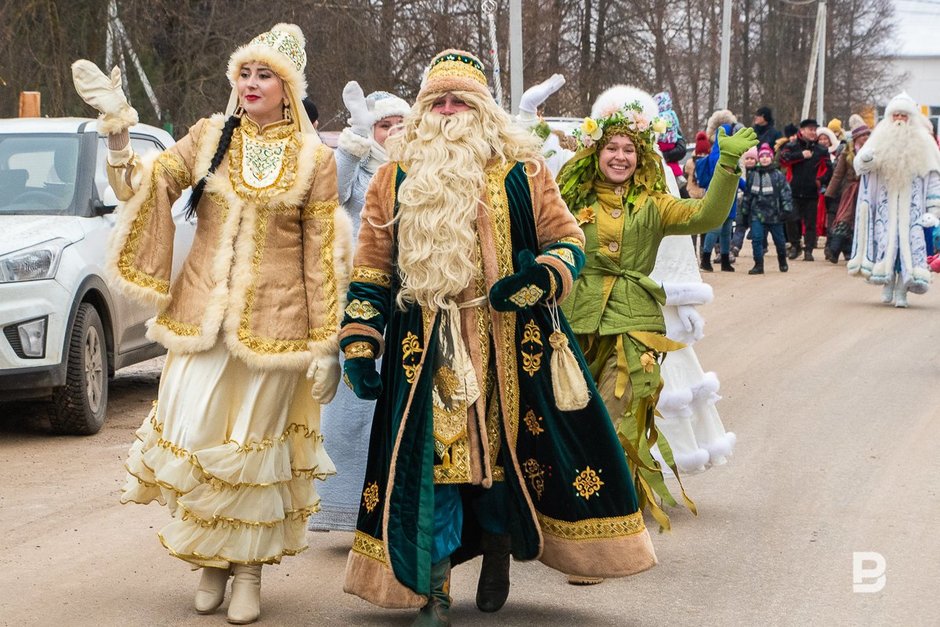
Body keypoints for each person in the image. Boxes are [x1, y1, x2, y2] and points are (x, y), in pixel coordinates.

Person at [338, 50, 657, 625]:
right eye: (439, 100)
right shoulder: (393, 176)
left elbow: (568, 242)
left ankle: (498, 553)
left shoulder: (524, 170)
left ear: (485, 109)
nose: (450, 109)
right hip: (425, 348)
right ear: (423, 110)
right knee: (435, 466)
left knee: (505, 460)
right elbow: (371, 268)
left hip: (511, 343)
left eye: (462, 99)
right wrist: (361, 341)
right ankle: (432, 591)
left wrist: (539, 279)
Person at [72, 23, 352, 624]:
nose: (251, 84)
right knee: (199, 438)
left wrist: (328, 343)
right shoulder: (206, 136)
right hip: (202, 319)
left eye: (265, 75)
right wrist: (119, 139)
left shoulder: (315, 159)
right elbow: (139, 189)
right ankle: (210, 560)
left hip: (278, 332)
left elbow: (321, 254)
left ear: (289, 88)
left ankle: (245, 570)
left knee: (248, 450)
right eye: (244, 73)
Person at [557, 92, 756, 525]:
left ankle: (610, 521)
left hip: (635, 330)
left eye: (629, 149)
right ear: (596, 150)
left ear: (641, 154)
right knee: (572, 421)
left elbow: (706, 216)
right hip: (575, 325)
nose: (620, 156)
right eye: (612, 147)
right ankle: (567, 515)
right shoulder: (569, 198)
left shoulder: (653, 203)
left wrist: (726, 167)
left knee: (616, 422)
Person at [310, 81, 410, 534]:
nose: (391, 132)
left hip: (409, 300)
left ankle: (397, 505)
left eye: (398, 124)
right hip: (360, 299)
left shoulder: (421, 169)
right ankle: (345, 505)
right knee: (352, 411)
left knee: (401, 408)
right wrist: (354, 133)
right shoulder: (359, 168)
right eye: (383, 125)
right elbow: (330, 191)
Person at [849, 92, 940, 307]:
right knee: (886, 244)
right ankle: (887, 281)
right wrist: (867, 159)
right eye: (896, 115)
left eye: (904, 116)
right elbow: (862, 167)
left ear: (911, 118)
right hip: (885, 208)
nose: (899, 119)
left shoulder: (924, 143)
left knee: (908, 247)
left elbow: (934, 176)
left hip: (913, 209)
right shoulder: (879, 139)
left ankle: (903, 290)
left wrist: (934, 209)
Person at [696, 109, 744, 272]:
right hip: (719, 195)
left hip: (728, 195)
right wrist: (745, 186)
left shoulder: (721, 152)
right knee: (717, 227)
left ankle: (724, 259)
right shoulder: (719, 155)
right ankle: (706, 259)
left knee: (726, 228)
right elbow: (730, 173)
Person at [779, 118, 828, 260]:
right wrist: (801, 155)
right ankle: (795, 245)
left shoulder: (821, 150)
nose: (813, 132)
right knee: (792, 218)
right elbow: (783, 159)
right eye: (810, 129)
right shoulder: (792, 146)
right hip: (793, 190)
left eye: (814, 129)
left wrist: (820, 181)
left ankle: (809, 249)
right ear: (802, 130)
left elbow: (828, 169)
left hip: (812, 192)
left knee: (810, 222)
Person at [824, 116, 869, 262]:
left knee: (861, 222)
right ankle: (834, 250)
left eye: (867, 134)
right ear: (856, 137)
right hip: (850, 190)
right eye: (863, 135)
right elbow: (838, 174)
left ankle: (853, 252)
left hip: (867, 190)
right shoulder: (847, 152)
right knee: (844, 219)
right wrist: (829, 194)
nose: (866, 138)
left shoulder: (872, 152)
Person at [743, 143, 793, 274]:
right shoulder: (753, 175)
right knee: (757, 239)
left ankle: (782, 261)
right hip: (757, 213)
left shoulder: (777, 175)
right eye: (762, 156)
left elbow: (785, 193)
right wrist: (744, 212)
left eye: (767, 156)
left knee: (779, 241)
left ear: (771, 157)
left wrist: (786, 209)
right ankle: (758, 264)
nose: (764, 158)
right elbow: (748, 195)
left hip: (775, 214)